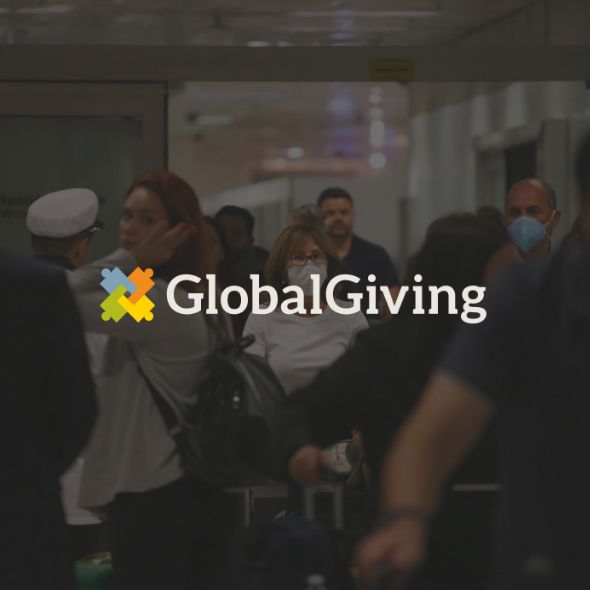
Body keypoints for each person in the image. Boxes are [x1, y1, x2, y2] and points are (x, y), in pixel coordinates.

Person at [356, 136, 590, 590]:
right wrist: (406, 520)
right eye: (515, 212)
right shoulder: (530, 299)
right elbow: (433, 435)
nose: (523, 221)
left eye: (533, 211)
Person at [280, 213, 518, 590]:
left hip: (505, 542)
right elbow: (303, 411)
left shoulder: (515, 344)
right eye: (503, 276)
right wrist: (300, 449)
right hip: (413, 548)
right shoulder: (388, 353)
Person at [66, 172, 236, 590]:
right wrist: (135, 263)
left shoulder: (158, 302)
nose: (129, 227)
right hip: (195, 487)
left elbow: (62, 297)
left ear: (178, 231)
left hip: (156, 497)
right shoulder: (195, 293)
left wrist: (129, 259)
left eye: (146, 219)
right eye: (126, 215)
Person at [0, 251, 96, 590]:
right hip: (71, 486)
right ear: (82, 245)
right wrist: (131, 264)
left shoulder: (25, 285)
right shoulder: (100, 289)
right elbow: (149, 310)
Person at [26, 187, 107, 559]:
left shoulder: (13, 288)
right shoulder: (110, 288)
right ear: (80, 246)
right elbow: (155, 323)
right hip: (85, 483)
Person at [243, 223, 368, 396]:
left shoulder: (350, 315)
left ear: (328, 264)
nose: (309, 264)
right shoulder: (263, 316)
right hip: (281, 410)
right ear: (282, 269)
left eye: (316, 256)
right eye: (298, 257)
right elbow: (251, 379)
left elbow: (367, 374)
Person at [317, 187, 399, 316]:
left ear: (352, 214)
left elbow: (393, 304)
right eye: (331, 213)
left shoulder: (376, 255)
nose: (338, 218)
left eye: (344, 212)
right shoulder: (309, 257)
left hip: (367, 326)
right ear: (320, 217)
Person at [215, 204, 269, 336]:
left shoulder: (266, 277)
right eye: (221, 232)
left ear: (249, 241)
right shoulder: (204, 271)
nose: (227, 239)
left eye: (236, 233)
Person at [505, 178, 560, 259]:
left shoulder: (570, 264)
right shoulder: (493, 264)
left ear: (554, 219)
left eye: (533, 211)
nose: (523, 219)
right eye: (515, 212)